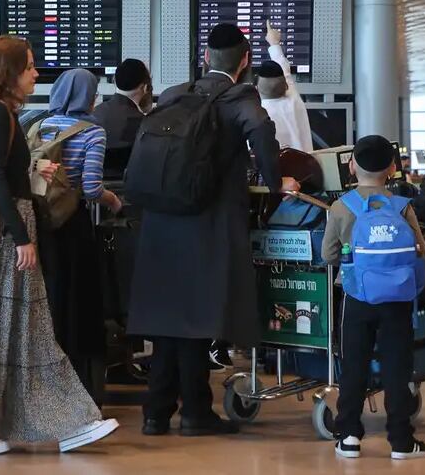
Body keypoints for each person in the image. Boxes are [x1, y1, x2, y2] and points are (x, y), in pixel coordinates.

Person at [0, 36, 117, 456]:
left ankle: (46, 423)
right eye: (30, 66)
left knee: (12, 333)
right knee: (18, 332)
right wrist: (21, 237)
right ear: (10, 73)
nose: (36, 74)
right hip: (4, 234)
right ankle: (58, 423)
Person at [128, 22, 300, 437]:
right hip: (206, 218)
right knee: (196, 319)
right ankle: (195, 414)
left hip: (161, 219)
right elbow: (260, 129)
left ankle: (156, 411)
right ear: (244, 62)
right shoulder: (240, 96)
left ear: (206, 58)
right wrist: (277, 182)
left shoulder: (175, 94)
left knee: (169, 318)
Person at [322, 135, 425, 460]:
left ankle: (349, 437)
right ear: (393, 169)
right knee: (397, 367)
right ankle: (401, 441)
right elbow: (421, 250)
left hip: (357, 298)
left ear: (352, 166)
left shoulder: (341, 207)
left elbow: (328, 255)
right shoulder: (402, 206)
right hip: (397, 300)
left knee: (353, 365)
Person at [40, 68, 122, 406]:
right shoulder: (93, 132)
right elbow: (90, 189)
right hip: (73, 227)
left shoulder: (39, 124)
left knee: (49, 303)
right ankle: (78, 387)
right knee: (80, 307)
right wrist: (113, 201)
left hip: (42, 225)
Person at [256, 20, 313, 152]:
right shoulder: (295, 101)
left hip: (278, 172)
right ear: (286, 86)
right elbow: (285, 71)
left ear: (257, 89)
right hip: (307, 170)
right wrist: (274, 42)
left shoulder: (259, 116)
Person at [92, 58, 152, 180]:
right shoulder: (145, 124)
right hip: (131, 187)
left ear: (114, 81)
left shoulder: (94, 115)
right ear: (145, 88)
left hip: (95, 185)